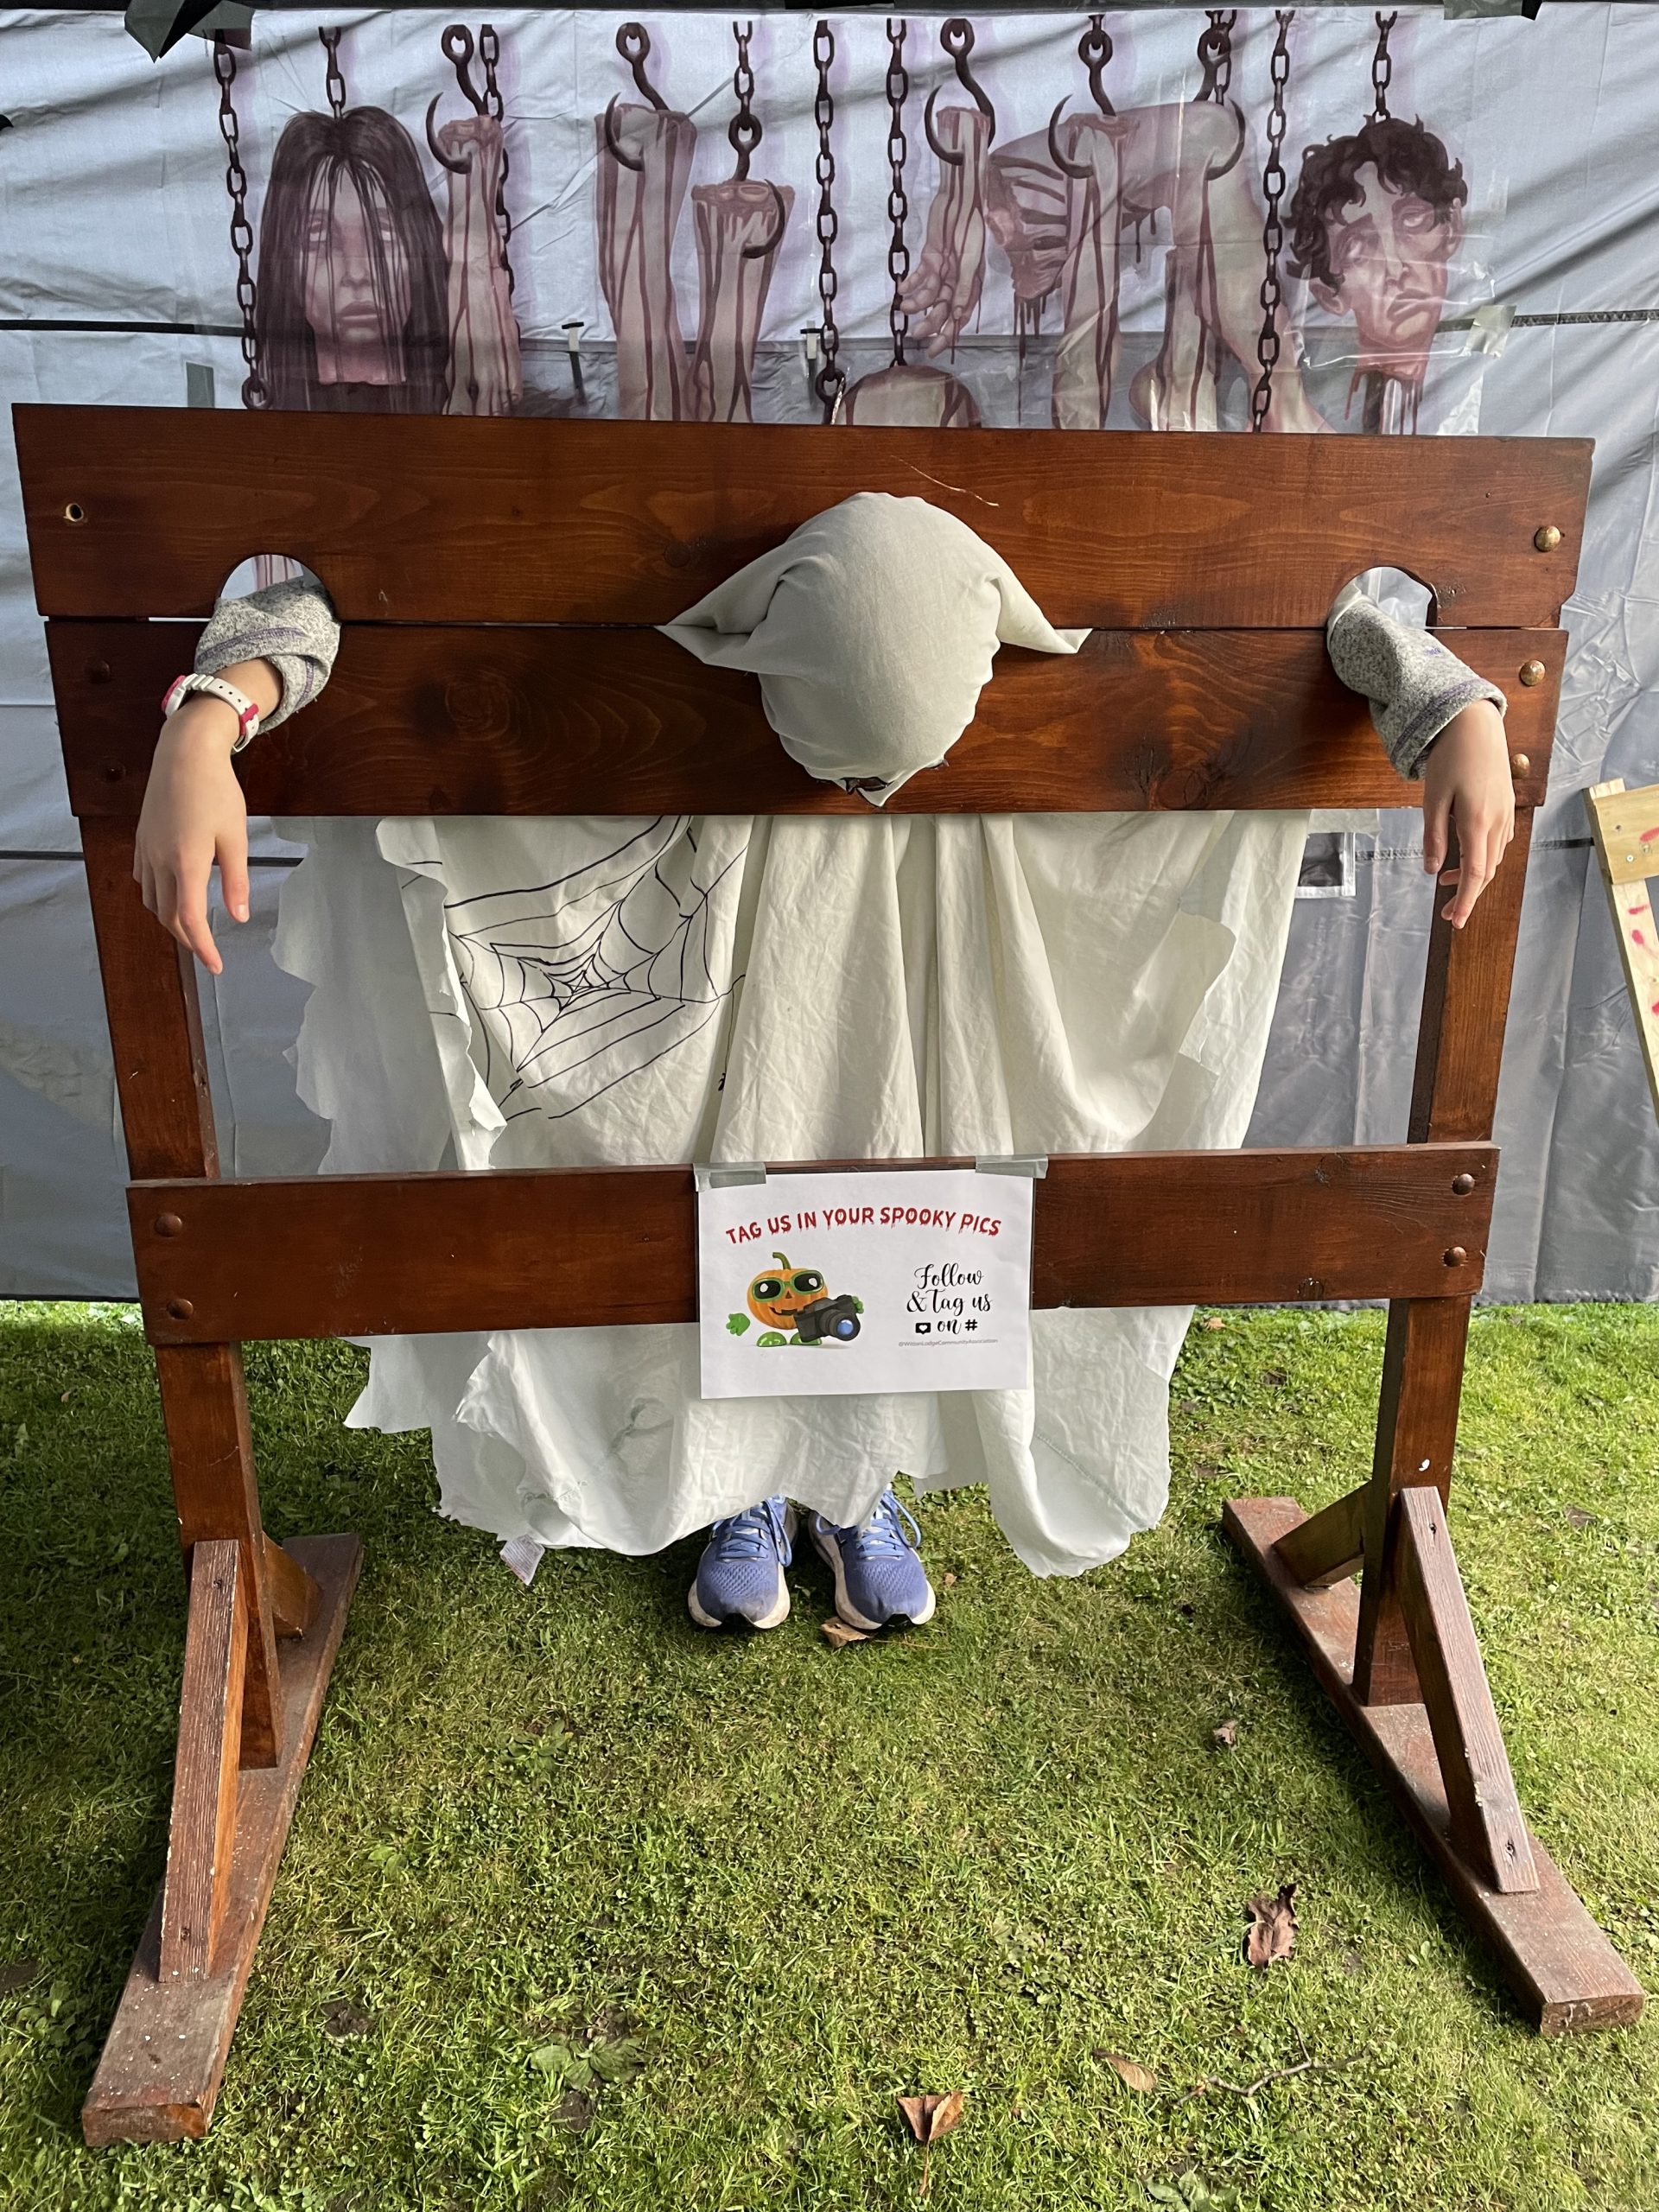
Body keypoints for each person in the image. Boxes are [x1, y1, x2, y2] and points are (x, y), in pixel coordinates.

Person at [135, 512, 1513, 1636]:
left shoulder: (1024, 639)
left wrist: (1448, 701)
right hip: (725, 899)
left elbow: (1340, 611)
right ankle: (745, 1476)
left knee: (896, 1172)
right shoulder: (665, 607)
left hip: (944, 912)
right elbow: (320, 593)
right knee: (729, 1173)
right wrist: (211, 713)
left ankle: (853, 1483)